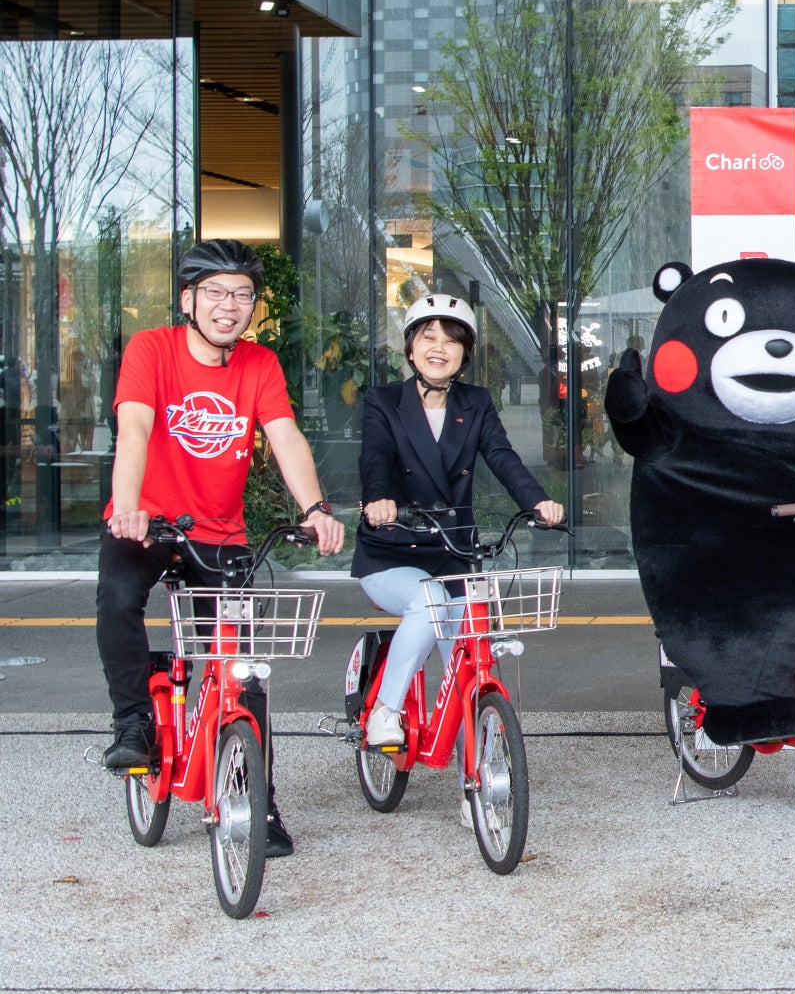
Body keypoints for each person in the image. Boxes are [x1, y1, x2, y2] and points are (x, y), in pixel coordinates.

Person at [98, 239, 347, 858]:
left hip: (219, 533)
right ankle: (133, 721)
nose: (228, 305)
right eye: (214, 292)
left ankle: (260, 803)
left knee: (244, 668)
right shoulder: (151, 349)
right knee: (119, 600)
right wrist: (127, 507)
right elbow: (134, 430)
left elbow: (285, 437)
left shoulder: (259, 363)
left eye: (242, 294)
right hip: (146, 524)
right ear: (188, 299)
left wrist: (315, 509)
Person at [353, 294, 563, 748]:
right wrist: (379, 499)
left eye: (451, 340)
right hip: (392, 549)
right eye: (428, 336)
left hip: (453, 553)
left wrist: (538, 501)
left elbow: (502, 456)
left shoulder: (476, 401)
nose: (439, 347)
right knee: (430, 602)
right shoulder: (383, 401)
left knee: (471, 650)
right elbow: (376, 458)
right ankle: (385, 710)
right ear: (411, 348)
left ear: (465, 353)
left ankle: (481, 768)